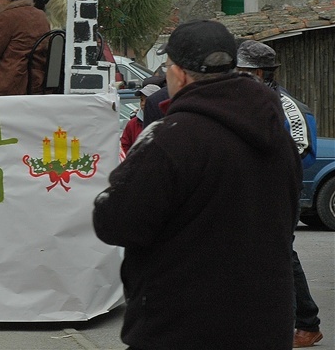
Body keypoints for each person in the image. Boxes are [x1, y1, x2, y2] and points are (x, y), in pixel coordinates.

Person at [93, 20, 302, 350]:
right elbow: (286, 221)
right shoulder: (278, 138)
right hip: (265, 326)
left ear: (178, 73)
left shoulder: (169, 138)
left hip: (182, 327)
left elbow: (115, 222)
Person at [236, 39, 322, 348]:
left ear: (258, 73)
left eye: (240, 70)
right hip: (251, 189)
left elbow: (304, 150)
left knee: (281, 252)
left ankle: (307, 322)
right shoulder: (244, 101)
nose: (234, 75)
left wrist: (261, 165)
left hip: (278, 191)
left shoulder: (289, 107)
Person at [119, 83, 160, 156]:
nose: (143, 104)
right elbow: (124, 146)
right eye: (141, 100)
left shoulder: (165, 121)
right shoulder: (133, 124)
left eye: (147, 100)